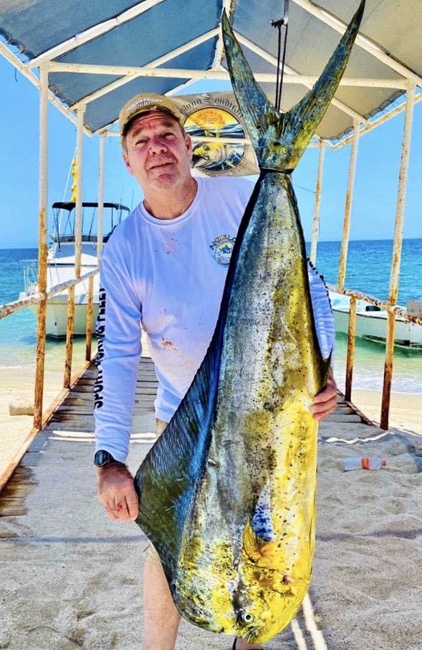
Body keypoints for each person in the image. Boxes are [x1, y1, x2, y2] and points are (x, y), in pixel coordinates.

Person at [94, 93, 338, 650]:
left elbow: (309, 285)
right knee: (166, 543)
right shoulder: (125, 249)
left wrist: (322, 367)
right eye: (141, 142)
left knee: (269, 541)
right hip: (186, 420)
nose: (157, 148)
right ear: (128, 163)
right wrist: (108, 458)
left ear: (187, 145)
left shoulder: (245, 198)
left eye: (166, 135)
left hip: (272, 415)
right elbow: (119, 357)